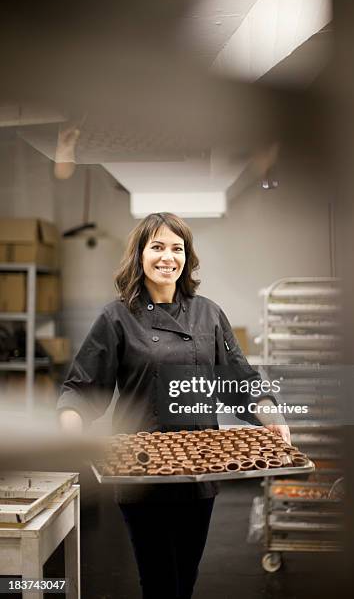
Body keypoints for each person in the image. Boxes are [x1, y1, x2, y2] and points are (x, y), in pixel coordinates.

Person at [58, 212, 290, 599]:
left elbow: (240, 380)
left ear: (187, 257)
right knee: (159, 580)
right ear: (140, 255)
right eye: (158, 247)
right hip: (141, 470)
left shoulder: (208, 313)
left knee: (186, 576)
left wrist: (271, 415)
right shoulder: (117, 317)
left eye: (177, 248)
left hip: (198, 470)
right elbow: (82, 387)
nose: (168, 257)